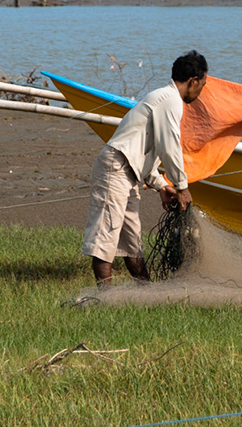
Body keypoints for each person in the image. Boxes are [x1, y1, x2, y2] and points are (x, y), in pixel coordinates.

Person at [82, 50, 208, 287]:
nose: (201, 91)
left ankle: (146, 291)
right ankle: (104, 298)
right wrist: (182, 187)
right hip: (115, 167)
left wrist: (161, 185)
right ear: (193, 81)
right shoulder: (169, 99)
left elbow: (147, 150)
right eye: (202, 85)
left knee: (132, 241)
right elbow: (169, 145)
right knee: (105, 236)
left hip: (128, 171)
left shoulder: (165, 99)